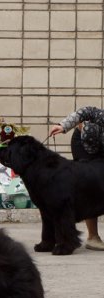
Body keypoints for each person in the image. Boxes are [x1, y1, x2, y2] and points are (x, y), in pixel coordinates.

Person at [49, 106, 104, 251]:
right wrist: (63, 126)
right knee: (90, 186)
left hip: (100, 146)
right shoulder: (99, 115)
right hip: (82, 145)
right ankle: (93, 237)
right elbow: (83, 111)